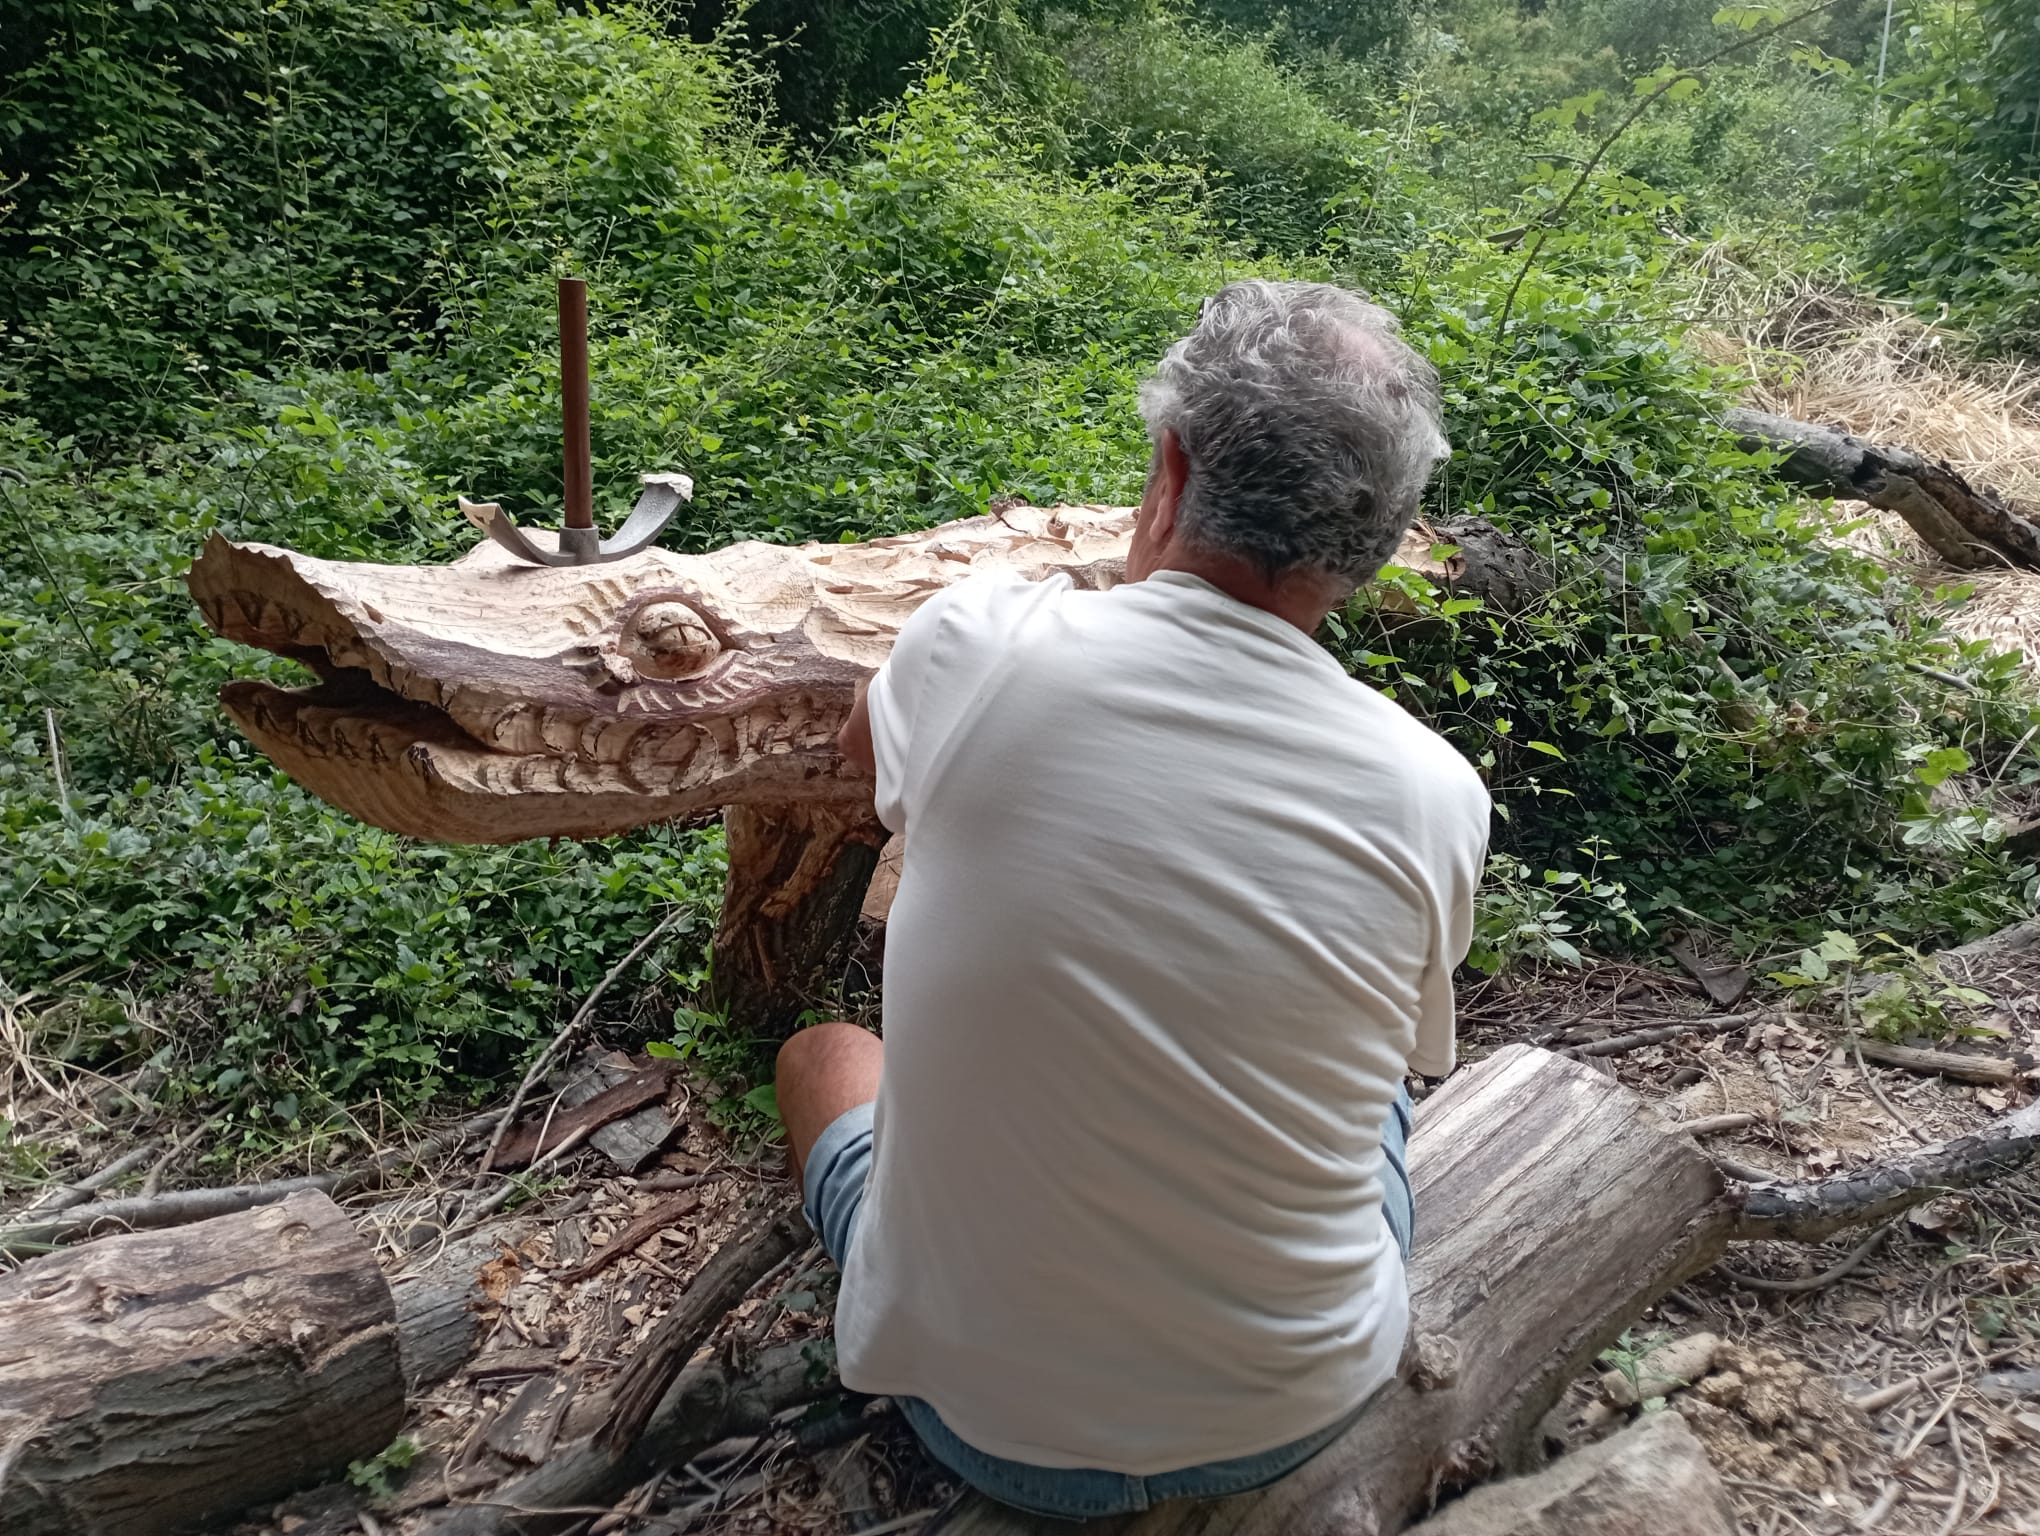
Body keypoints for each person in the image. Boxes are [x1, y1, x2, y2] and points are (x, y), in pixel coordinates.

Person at [775, 279, 1491, 1520]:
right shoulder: (1434, 791)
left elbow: (857, 748)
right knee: (1368, 1076)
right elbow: (1406, 1058)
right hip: (1293, 1402)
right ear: (1373, 544)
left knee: (826, 1052)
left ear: (1169, 467)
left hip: (978, 1421)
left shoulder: (983, 647)